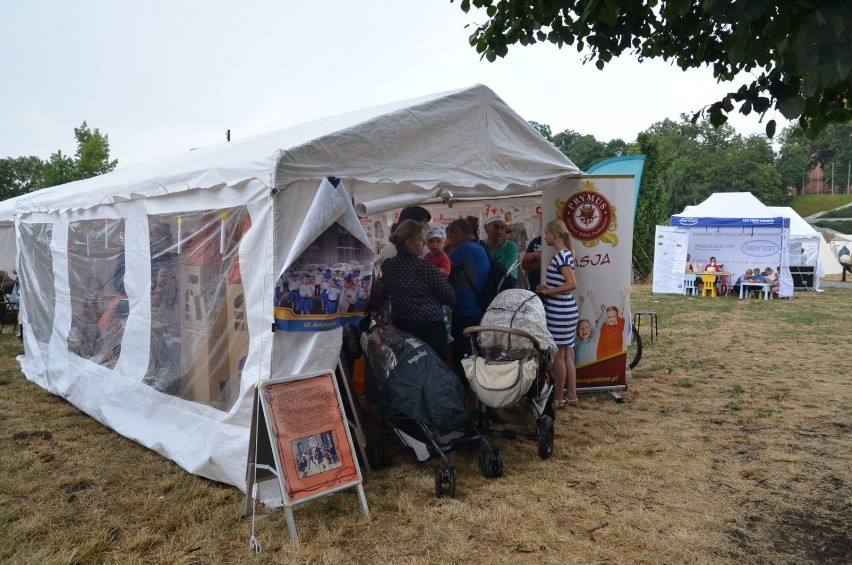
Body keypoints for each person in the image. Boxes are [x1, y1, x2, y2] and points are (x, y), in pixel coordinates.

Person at [381, 219, 455, 357]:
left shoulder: (388, 266)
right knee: (434, 373)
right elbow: (449, 296)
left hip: (402, 328)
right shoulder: (424, 267)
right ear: (409, 243)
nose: (425, 243)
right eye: (421, 240)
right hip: (429, 330)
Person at [535, 220, 579, 408]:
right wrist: (550, 288)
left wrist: (548, 292)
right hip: (566, 308)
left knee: (559, 355)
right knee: (567, 353)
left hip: (559, 310)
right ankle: (572, 395)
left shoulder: (561, 256)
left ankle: (559, 398)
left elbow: (571, 284)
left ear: (554, 234)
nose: (544, 237)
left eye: (546, 233)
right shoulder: (566, 255)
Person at [446, 218, 491, 380]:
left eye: (450, 237)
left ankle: (470, 403)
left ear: (458, 233)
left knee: (465, 360)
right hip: (478, 311)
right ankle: (477, 402)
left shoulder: (466, 248)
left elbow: (441, 264)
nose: (449, 242)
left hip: (466, 313)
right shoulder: (481, 247)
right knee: (476, 358)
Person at [423, 224, 453, 342]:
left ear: (444, 243)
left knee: (441, 315)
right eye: (431, 241)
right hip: (429, 292)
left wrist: (430, 269)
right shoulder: (427, 256)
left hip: (439, 291)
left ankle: (447, 334)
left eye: (438, 241)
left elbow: (446, 272)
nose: (434, 244)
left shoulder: (443, 257)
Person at [588, 287, 628, 360]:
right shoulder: (603, 326)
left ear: (617, 317)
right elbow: (597, 314)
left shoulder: (619, 326)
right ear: (605, 319)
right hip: (602, 357)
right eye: (609, 317)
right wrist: (592, 300)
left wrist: (622, 299)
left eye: (614, 316)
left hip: (615, 357)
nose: (611, 319)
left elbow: (621, 312)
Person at [481, 214, 519, 279]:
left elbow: (508, 276)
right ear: (486, 228)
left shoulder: (511, 247)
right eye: (496, 227)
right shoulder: (481, 246)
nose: (500, 231)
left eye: (503, 228)